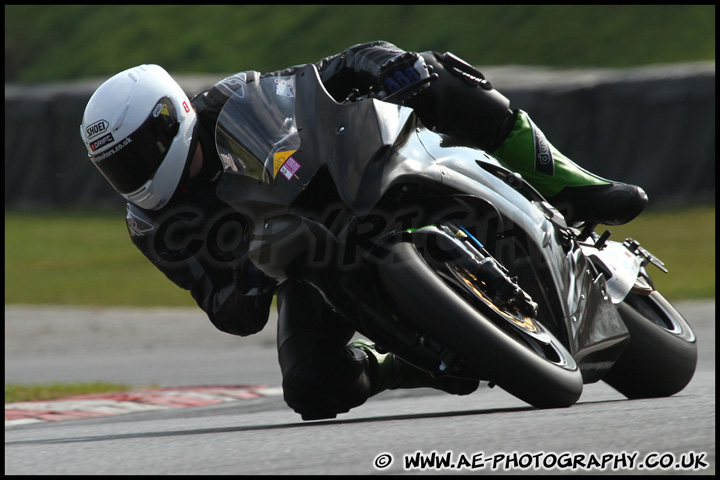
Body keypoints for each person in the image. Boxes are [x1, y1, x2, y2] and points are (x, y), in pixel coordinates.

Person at [80, 41, 647, 420]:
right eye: (115, 170)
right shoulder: (152, 224)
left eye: (134, 159)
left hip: (357, 171)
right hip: (309, 265)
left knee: (435, 71)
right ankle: (405, 359)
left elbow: (328, 73)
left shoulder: (232, 98)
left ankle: (569, 182)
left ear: (169, 120)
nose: (130, 180)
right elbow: (226, 307)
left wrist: (385, 63)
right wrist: (255, 271)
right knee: (310, 388)